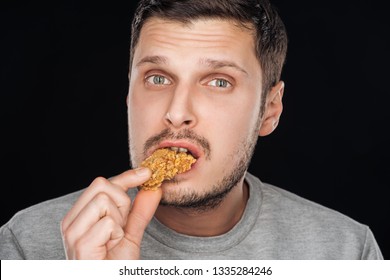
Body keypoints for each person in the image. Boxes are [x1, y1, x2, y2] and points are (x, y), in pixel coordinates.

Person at [0, 0, 383, 260]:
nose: (177, 112)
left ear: (270, 109)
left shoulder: (347, 250)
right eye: (157, 77)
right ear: (128, 94)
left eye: (218, 82)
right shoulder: (27, 243)